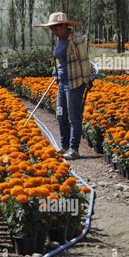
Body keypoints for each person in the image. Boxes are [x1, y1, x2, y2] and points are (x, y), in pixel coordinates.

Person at [35, 12, 93, 160]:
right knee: (60, 114)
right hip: (62, 82)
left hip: (74, 83)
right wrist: (55, 71)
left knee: (74, 117)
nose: (54, 33)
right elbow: (60, 61)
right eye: (52, 30)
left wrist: (87, 80)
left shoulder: (76, 40)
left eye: (55, 29)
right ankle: (64, 146)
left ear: (63, 26)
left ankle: (74, 149)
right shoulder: (60, 40)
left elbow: (84, 61)